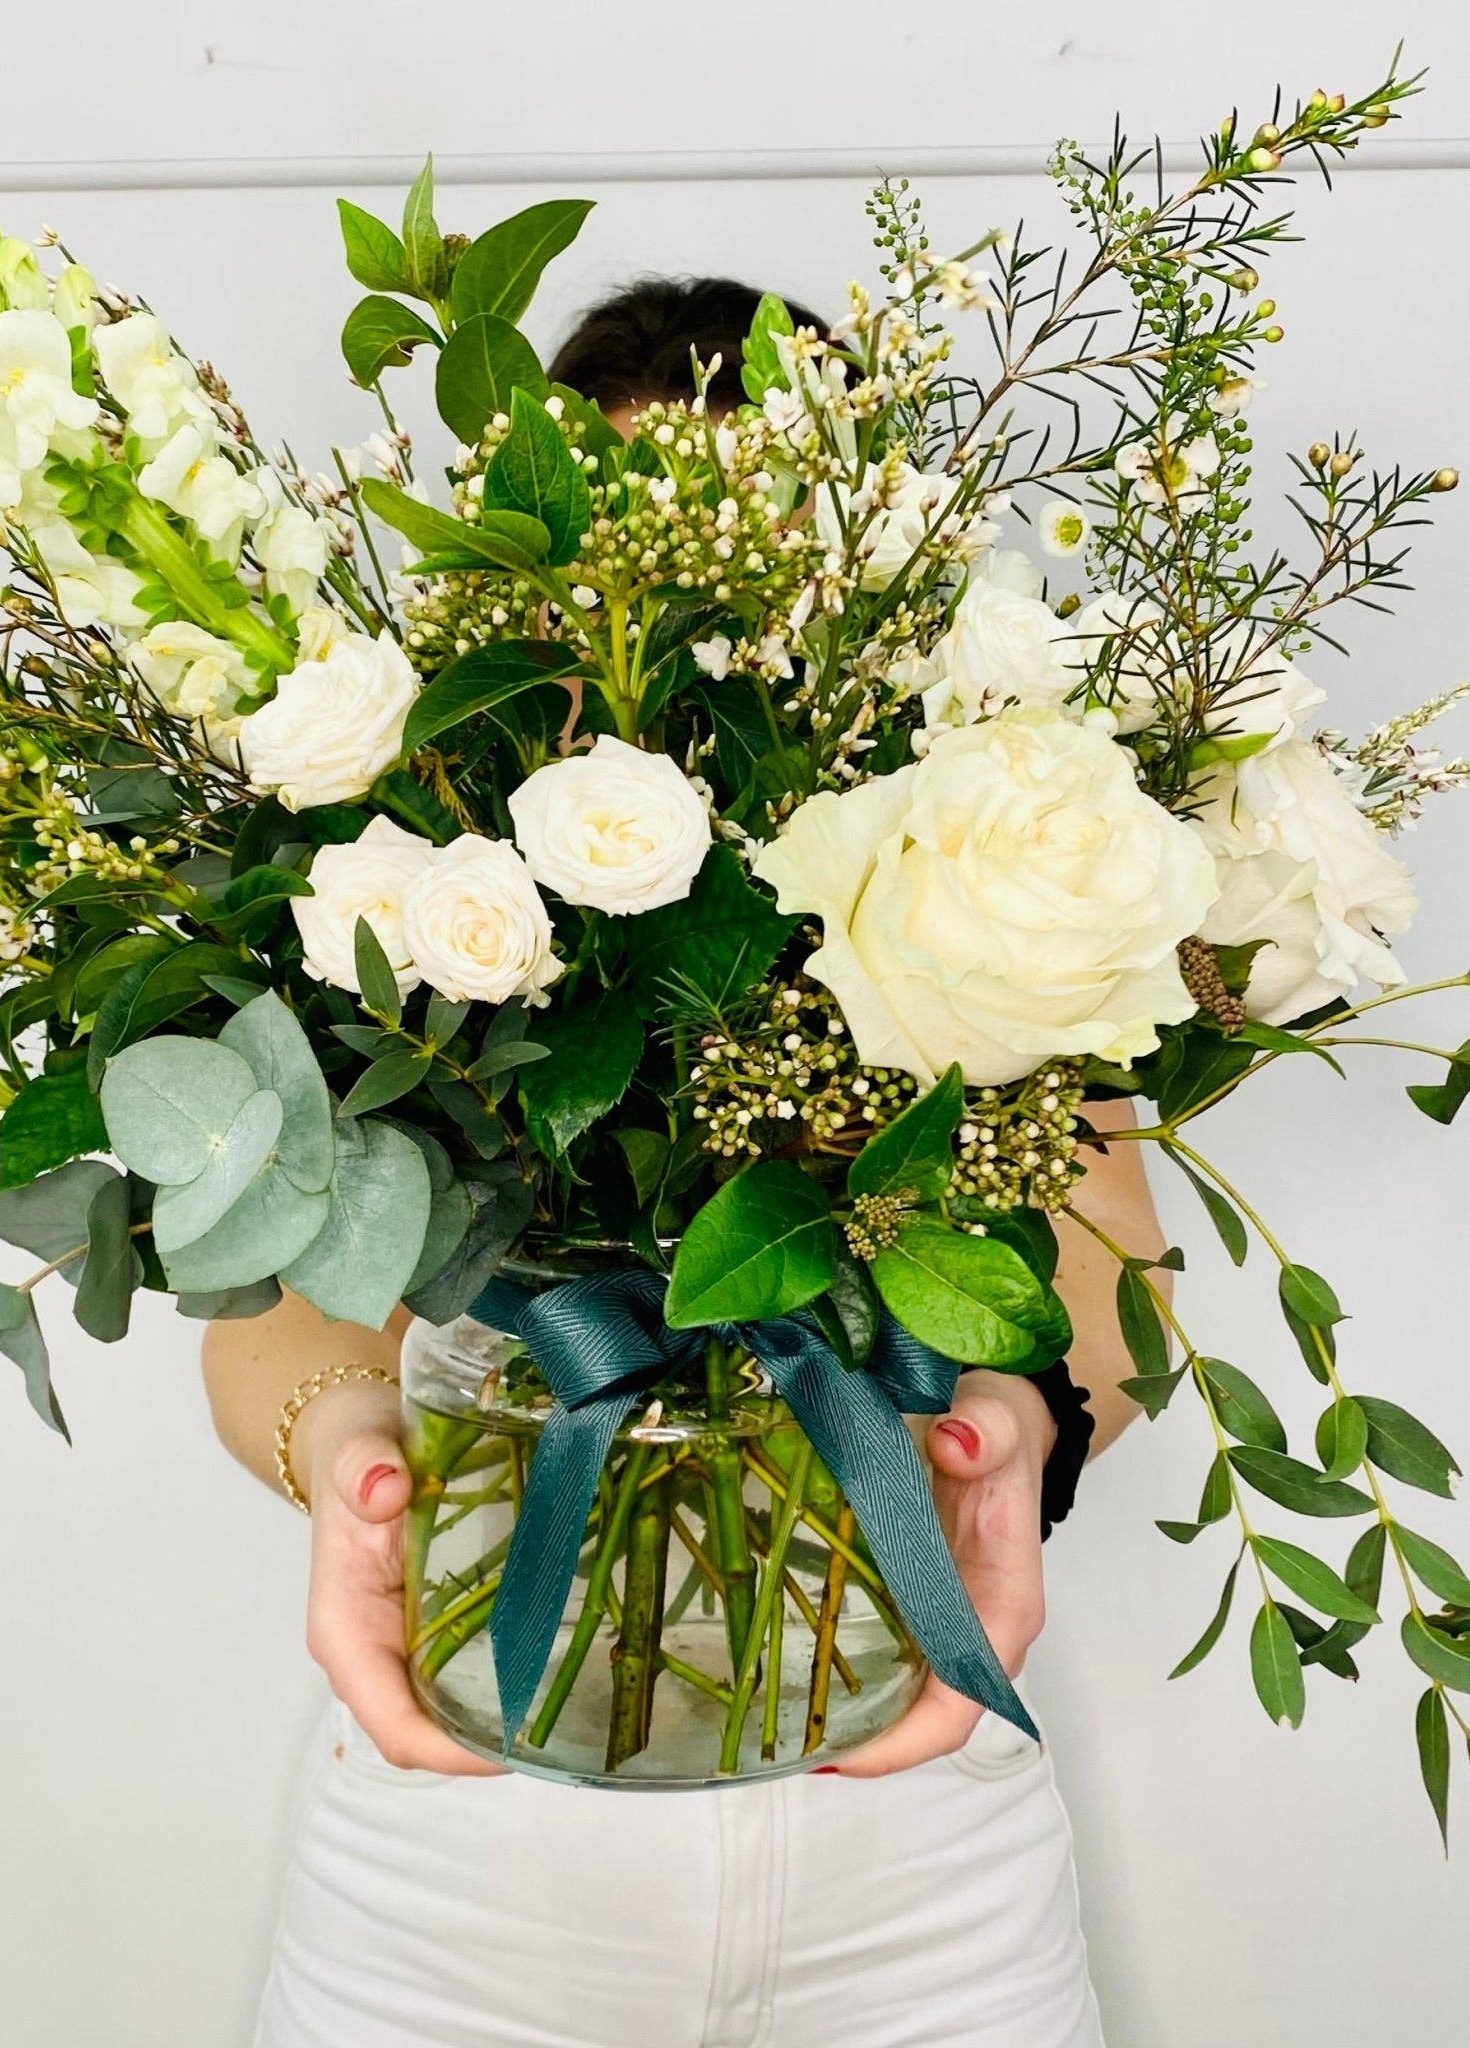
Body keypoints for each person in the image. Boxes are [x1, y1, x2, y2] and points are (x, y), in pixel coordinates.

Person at [203, 277, 1172, 2048]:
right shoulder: (427, 876)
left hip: (917, 1833)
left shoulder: (977, 851)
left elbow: (1107, 1269)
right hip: (463, 1854)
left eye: (754, 564)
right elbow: (285, 1312)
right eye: (644, 557)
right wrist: (347, 1453)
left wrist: (1022, 1430)